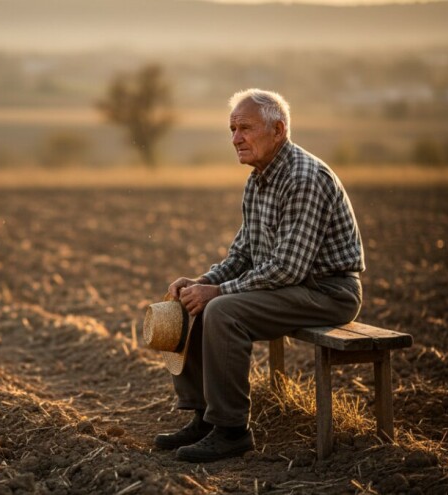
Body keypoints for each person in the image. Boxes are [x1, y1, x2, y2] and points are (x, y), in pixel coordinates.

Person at [154, 89, 365, 463]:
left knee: (221, 310)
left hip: (328, 292)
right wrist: (200, 283)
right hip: (293, 287)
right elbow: (243, 254)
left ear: (278, 129)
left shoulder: (304, 177)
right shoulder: (258, 179)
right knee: (188, 304)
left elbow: (288, 268)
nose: (235, 138)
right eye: (232, 129)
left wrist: (217, 292)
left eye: (245, 128)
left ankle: (232, 431)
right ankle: (204, 417)